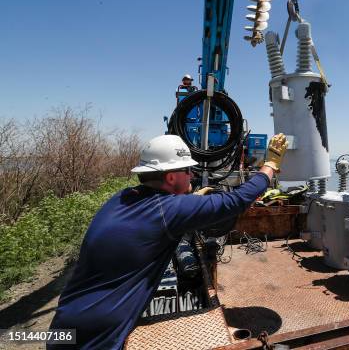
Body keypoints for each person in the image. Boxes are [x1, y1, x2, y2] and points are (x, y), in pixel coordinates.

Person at [48, 133, 288, 349]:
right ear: (172, 177)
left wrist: (188, 202)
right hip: (99, 333)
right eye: (188, 171)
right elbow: (237, 201)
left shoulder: (121, 199)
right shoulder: (170, 210)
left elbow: (154, 216)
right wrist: (270, 166)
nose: (192, 175)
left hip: (66, 320)